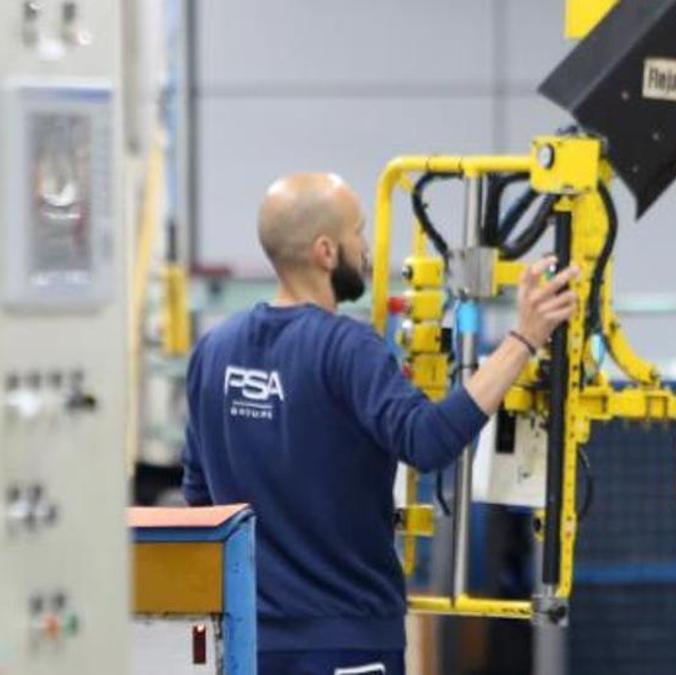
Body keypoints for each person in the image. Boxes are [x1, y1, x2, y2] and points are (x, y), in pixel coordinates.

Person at [181, 172, 577, 675]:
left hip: (244, 645)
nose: (366, 250)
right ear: (327, 251)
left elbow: (199, 496)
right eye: (359, 233)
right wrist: (524, 339)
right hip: (347, 643)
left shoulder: (213, 351)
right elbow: (428, 441)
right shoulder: (347, 348)